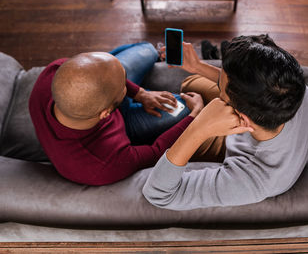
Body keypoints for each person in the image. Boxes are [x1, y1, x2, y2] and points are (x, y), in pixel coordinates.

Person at [142, 34, 308, 210]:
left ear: (240, 118)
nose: (219, 89)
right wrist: (198, 66)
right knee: (191, 82)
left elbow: (158, 194)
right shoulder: (297, 90)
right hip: (255, 130)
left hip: (239, 149)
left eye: (222, 96)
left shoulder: (251, 180)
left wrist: (198, 127)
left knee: (172, 134)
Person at [29, 42, 204, 186]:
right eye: (123, 85)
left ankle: (116, 72)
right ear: (106, 113)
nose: (126, 83)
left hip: (105, 99)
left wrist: (141, 93)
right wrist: (194, 118)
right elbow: (156, 151)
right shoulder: (104, 163)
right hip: (125, 126)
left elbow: (95, 73)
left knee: (148, 50)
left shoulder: (54, 72)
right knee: (186, 107)